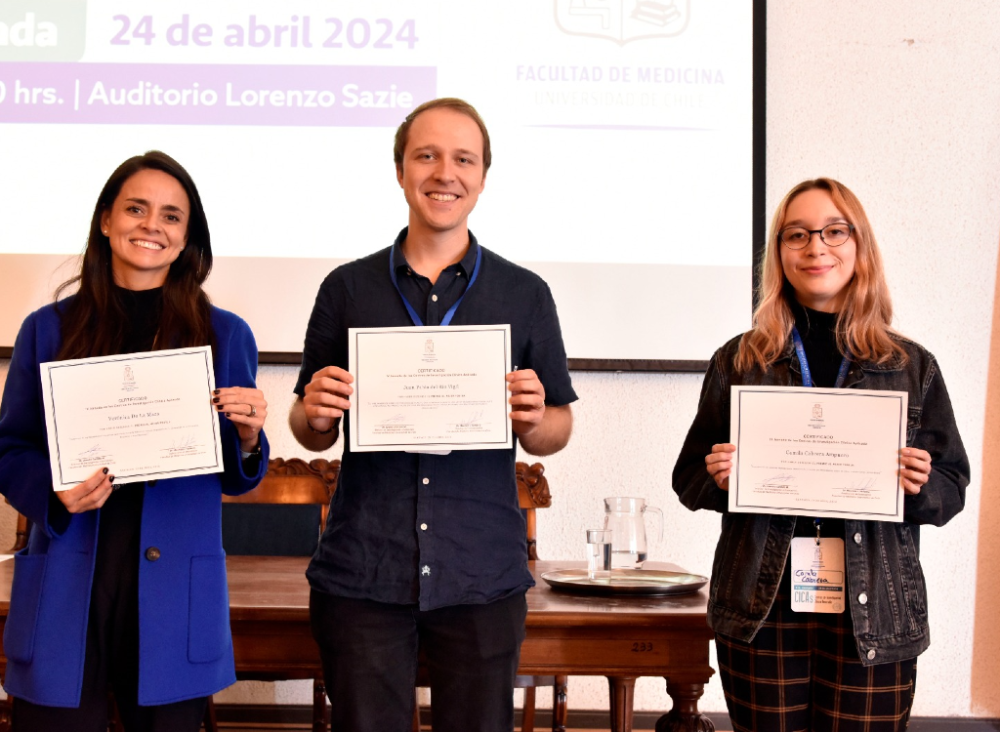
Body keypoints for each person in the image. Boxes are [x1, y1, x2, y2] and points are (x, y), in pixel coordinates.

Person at [290, 97, 577, 732]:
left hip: (481, 574)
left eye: (463, 159)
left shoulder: (525, 294)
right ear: (400, 171)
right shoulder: (347, 289)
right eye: (427, 155)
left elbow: (558, 428)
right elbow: (308, 427)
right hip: (364, 572)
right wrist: (313, 412)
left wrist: (533, 420)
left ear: (481, 176)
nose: (444, 173)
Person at [672, 178, 970, 731]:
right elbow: (688, 477)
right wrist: (718, 476)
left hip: (875, 610)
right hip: (763, 607)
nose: (816, 248)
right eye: (797, 234)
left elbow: (952, 485)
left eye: (835, 231)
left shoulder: (911, 366)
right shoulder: (739, 360)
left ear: (860, 247)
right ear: (778, 253)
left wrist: (921, 484)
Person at [0, 151, 270, 732]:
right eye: (137, 209)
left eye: (172, 216)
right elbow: (10, 449)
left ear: (187, 236)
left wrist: (249, 435)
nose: (153, 225)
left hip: (175, 598)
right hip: (67, 588)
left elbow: (235, 471)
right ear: (105, 220)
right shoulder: (47, 328)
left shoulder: (225, 334)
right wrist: (54, 492)